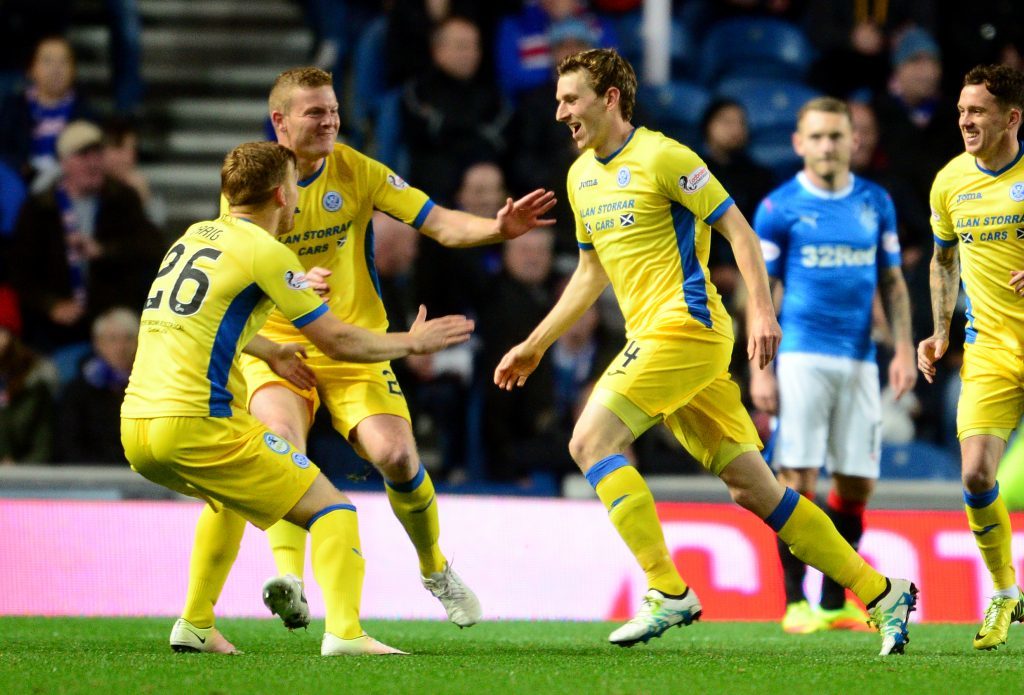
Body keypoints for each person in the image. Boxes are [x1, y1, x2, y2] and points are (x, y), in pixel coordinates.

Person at [494, 48, 918, 656]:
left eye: (570, 98)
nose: (560, 111)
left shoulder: (666, 156)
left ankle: (668, 590)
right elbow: (591, 274)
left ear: (609, 97)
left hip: (688, 327)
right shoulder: (580, 176)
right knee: (756, 490)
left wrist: (763, 313)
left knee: (590, 441)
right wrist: (535, 344)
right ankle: (884, 593)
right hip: (658, 341)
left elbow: (739, 230)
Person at [205, 67, 554, 633]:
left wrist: (497, 229)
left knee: (396, 456)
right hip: (279, 349)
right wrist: (279, 314)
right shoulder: (246, 181)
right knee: (281, 445)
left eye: (334, 109)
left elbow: (437, 221)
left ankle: (434, 567)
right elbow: (231, 279)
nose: (331, 121)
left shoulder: (358, 171)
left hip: (354, 347)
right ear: (280, 122)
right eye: (315, 112)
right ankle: (290, 578)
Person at [121, 141, 475, 656]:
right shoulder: (268, 251)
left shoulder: (195, 236)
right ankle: (346, 634)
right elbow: (338, 340)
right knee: (334, 510)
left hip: (138, 427)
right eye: (292, 188)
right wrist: (411, 343)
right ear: (281, 194)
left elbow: (204, 317)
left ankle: (195, 624)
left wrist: (271, 349)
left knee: (228, 501)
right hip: (199, 422)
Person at [749, 97, 917, 634]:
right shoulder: (778, 208)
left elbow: (892, 281)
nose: (827, 146)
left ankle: (830, 601)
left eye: (836, 136)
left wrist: (904, 349)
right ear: (799, 143)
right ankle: (794, 601)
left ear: (853, 141)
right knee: (795, 477)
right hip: (800, 356)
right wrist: (760, 369)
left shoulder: (875, 203)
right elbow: (760, 294)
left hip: (860, 360)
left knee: (856, 483)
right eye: (817, 137)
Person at [917, 64, 1024, 651]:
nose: (965, 119)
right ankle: (1006, 591)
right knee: (977, 473)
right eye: (961, 109)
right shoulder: (950, 181)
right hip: (990, 350)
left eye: (978, 110)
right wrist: (939, 332)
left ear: (1012, 117)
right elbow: (942, 260)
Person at [9, 119, 164, 352]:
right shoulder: (40, 207)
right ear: (64, 162)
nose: (93, 163)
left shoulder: (122, 199)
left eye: (98, 154)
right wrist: (51, 305)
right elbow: (20, 271)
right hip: (54, 325)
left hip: (112, 318)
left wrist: (104, 250)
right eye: (83, 156)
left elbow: (151, 248)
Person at [56, 306, 139, 465]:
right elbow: (68, 447)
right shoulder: (76, 392)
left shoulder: (151, 389)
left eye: (128, 339)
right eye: (112, 339)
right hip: (90, 480)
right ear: (98, 343)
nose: (121, 348)